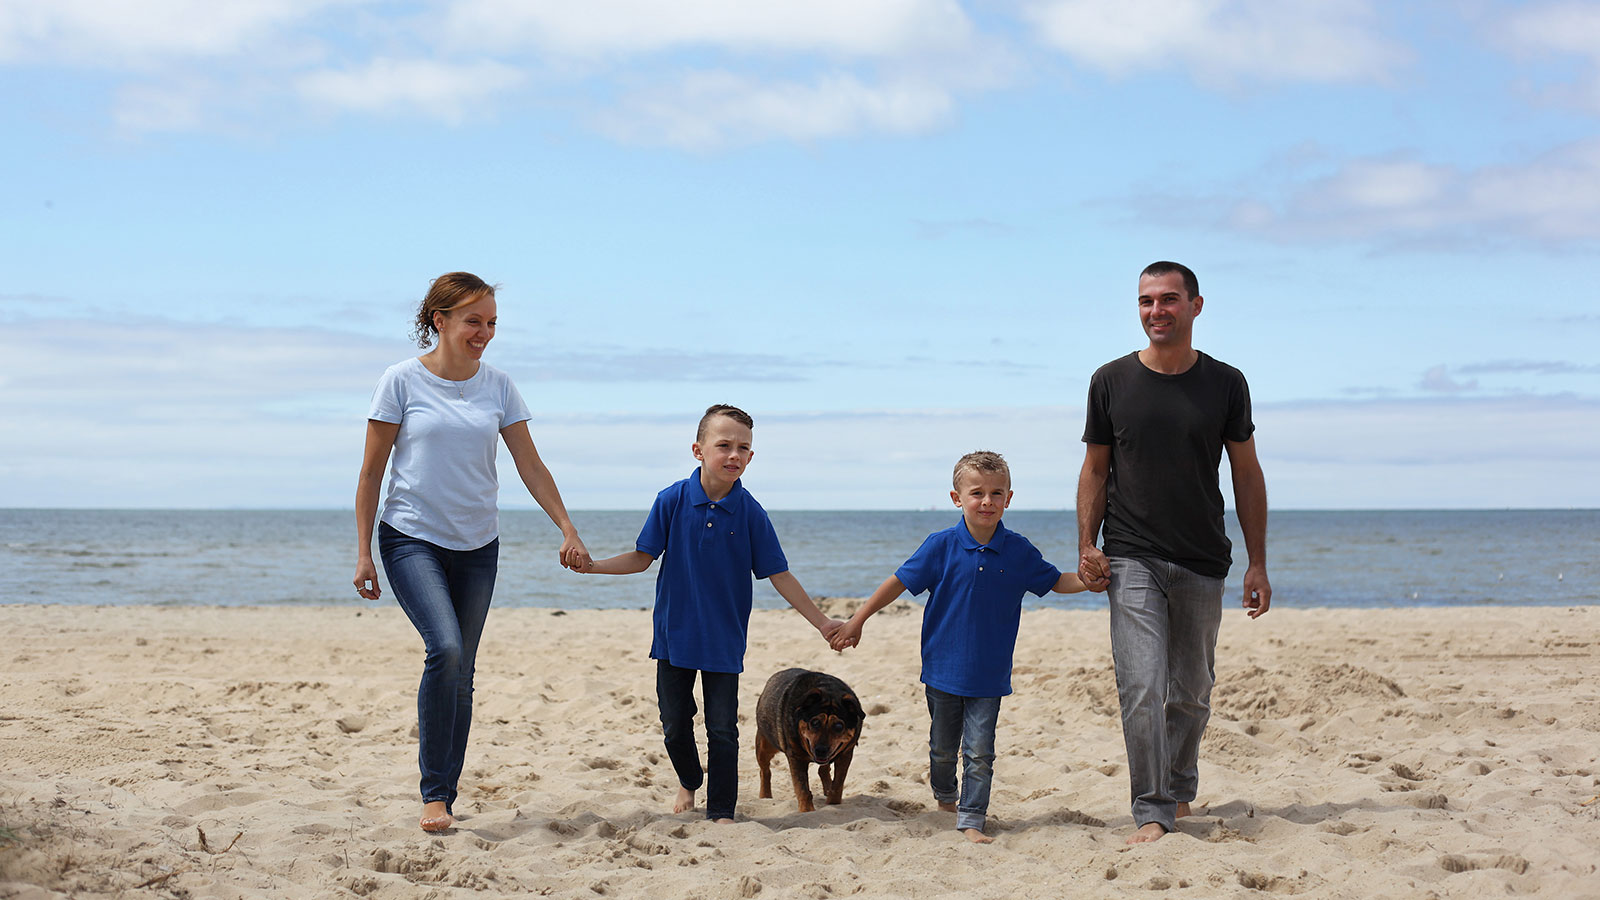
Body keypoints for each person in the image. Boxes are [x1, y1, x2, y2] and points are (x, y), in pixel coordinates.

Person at [353, 271, 590, 834]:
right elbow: (371, 472)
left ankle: (446, 796)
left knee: (463, 672)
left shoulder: (499, 386)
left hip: (479, 544)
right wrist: (363, 552)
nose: (483, 332)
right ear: (439, 320)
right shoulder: (400, 381)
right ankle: (433, 795)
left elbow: (530, 465)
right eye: (472, 321)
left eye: (491, 323)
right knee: (447, 649)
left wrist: (567, 527)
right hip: (411, 536)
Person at [1076, 260, 1272, 845]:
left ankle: (1179, 789)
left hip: (1201, 559)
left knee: (1190, 690)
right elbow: (1094, 468)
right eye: (1145, 302)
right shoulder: (1109, 380)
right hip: (1130, 554)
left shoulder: (1226, 383)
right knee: (1141, 686)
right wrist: (1087, 543)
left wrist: (1257, 560)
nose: (1155, 311)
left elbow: (1247, 472)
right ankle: (1154, 810)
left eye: (1167, 300)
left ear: (1195, 305)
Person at [574, 404, 842, 823]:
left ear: (751, 457)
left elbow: (779, 574)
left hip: (723, 640)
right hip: (673, 635)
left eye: (743, 448)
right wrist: (592, 566)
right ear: (698, 450)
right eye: (724, 445)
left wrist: (823, 622)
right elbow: (642, 557)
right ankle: (689, 779)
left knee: (723, 731)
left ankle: (721, 811)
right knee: (675, 724)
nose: (734, 455)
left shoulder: (752, 513)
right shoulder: (672, 500)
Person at [829, 451, 1088, 843]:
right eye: (977, 493)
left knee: (981, 753)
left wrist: (1094, 580)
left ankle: (971, 819)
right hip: (942, 669)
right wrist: (858, 619)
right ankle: (946, 797)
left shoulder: (1018, 551)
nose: (987, 501)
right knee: (942, 749)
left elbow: (1056, 582)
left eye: (996, 493)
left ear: (1009, 498)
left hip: (989, 674)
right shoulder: (940, 546)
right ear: (957, 498)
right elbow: (897, 582)